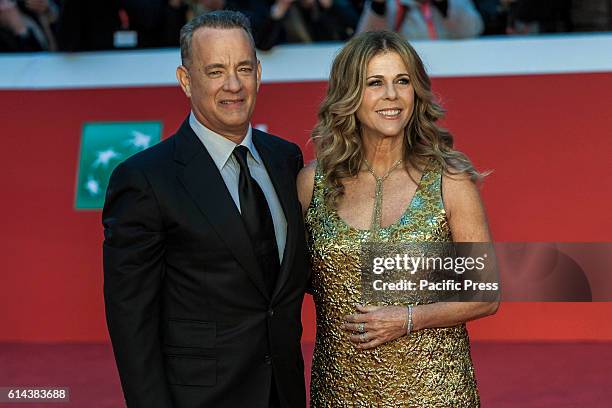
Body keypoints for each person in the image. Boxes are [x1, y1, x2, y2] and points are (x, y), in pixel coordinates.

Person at [103, 10, 309, 408]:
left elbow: (321, 266)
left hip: (284, 393)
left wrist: (437, 287)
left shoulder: (286, 160)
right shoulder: (146, 179)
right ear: (186, 80)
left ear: (259, 73)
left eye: (243, 68)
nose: (233, 85)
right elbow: (132, 323)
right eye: (215, 71)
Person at [297, 30, 499, 406]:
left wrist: (408, 317)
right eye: (375, 82)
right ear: (350, 95)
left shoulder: (449, 181)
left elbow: (485, 295)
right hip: (340, 390)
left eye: (401, 81)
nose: (391, 94)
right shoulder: (312, 183)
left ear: (415, 92)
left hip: (435, 392)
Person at [358, 0, 484, 40]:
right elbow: (363, 41)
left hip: (448, 65)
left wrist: (443, 5)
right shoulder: (387, 4)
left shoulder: (455, 2)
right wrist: (378, 7)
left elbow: (473, 30)